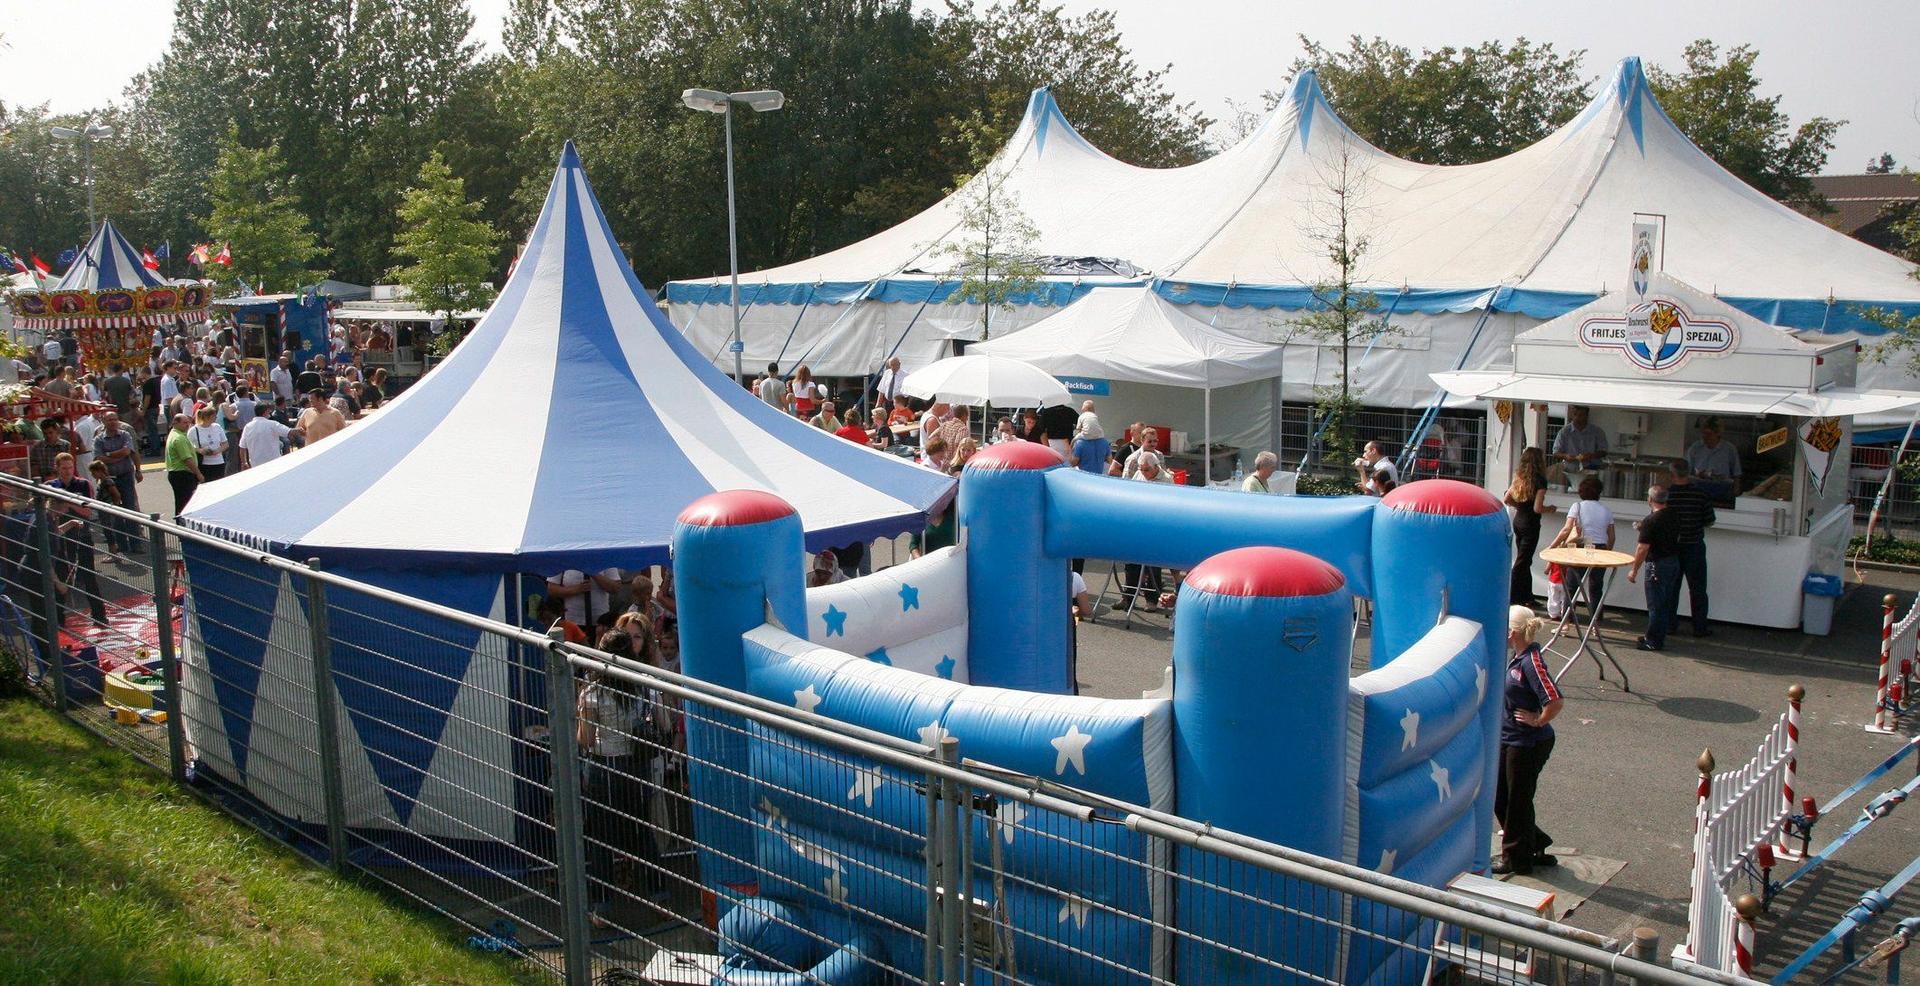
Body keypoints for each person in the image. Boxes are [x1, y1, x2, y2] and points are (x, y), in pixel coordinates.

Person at [574, 630, 666, 919]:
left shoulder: (591, 692)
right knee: (641, 831)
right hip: (636, 767)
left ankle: (602, 907)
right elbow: (663, 724)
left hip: (604, 767)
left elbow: (586, 740)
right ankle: (659, 896)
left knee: (601, 837)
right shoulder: (643, 686)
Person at [1493, 605, 1563, 875]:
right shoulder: (1517, 657)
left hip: (1528, 742)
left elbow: (1555, 699)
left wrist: (1538, 719)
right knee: (1503, 797)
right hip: (1512, 738)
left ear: (1512, 632)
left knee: (1516, 800)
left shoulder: (1531, 663)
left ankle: (1516, 858)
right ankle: (1534, 842)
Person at [47, 452, 109, 625]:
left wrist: (68, 503)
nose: (67, 471)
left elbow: (88, 512)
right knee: (60, 576)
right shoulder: (51, 486)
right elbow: (48, 512)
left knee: (88, 576)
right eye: (64, 468)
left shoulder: (83, 484)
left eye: (70, 467)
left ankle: (99, 615)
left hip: (82, 536)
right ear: (57, 468)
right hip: (59, 538)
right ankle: (59, 619)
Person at [1548, 475, 1615, 613]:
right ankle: (1595, 622)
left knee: (1572, 585)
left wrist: (1552, 546)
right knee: (1596, 586)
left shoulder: (1577, 506)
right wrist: (1607, 551)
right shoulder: (1606, 510)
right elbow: (1612, 536)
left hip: (1581, 547)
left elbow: (1567, 529)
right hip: (1600, 548)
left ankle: (1567, 621)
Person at [1666, 459, 1717, 638]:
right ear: (1688, 473)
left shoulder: (1667, 495)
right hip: (1694, 545)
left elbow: (1660, 519)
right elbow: (1709, 520)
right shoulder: (1700, 494)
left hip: (1672, 546)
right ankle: (1700, 627)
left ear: (1672, 475)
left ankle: (1670, 625)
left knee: (1672, 587)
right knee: (1698, 588)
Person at [1628, 486, 1683, 652]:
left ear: (1650, 499)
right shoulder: (1674, 515)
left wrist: (1634, 569)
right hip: (1672, 561)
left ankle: (1653, 640)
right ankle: (1656, 635)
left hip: (1657, 564)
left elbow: (1642, 548)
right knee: (1665, 602)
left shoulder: (1651, 521)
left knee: (1655, 605)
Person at [1503, 448, 1555, 606]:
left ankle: (1526, 596)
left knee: (1524, 560)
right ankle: (1512, 596)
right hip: (1531, 524)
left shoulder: (1519, 477)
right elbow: (1537, 508)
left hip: (1519, 521)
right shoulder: (1540, 481)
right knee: (1522, 561)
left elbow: (1507, 499)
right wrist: (1550, 509)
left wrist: (1519, 506)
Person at [92, 412, 142, 554]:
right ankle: (122, 545)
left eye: (115, 419)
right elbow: (99, 458)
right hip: (109, 480)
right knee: (115, 513)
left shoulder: (125, 435)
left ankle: (135, 544)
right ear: (104, 421)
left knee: (130, 509)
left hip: (126, 477)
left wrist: (138, 470)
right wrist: (117, 456)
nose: (113, 422)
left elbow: (128, 452)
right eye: (110, 420)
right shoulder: (99, 439)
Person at [1685, 416, 1741, 502]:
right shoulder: (1695, 448)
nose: (1705, 437)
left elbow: (1737, 473)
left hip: (1722, 491)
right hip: (1699, 490)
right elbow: (1687, 472)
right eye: (1704, 434)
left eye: (1709, 434)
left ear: (1718, 434)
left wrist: (1736, 494)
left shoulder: (1729, 449)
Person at [1551, 405, 1609, 487]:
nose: (1577, 418)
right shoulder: (1564, 432)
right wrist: (1566, 456)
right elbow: (1555, 452)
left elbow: (1604, 451)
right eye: (1575, 414)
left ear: (1586, 416)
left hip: (1591, 469)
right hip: (1569, 471)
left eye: (1581, 415)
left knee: (1590, 492)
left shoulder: (1597, 431)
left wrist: (1591, 455)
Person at [164, 413, 202, 515]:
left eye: (188, 423)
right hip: (183, 474)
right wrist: (198, 474)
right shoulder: (179, 438)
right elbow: (187, 459)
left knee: (181, 501)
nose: (187, 425)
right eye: (184, 423)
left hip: (177, 473)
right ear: (175, 423)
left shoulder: (174, 434)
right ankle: (183, 525)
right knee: (185, 503)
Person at [188, 406, 230, 481]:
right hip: (204, 463)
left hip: (219, 462)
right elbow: (188, 447)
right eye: (214, 416)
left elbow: (226, 444)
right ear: (209, 417)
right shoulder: (194, 430)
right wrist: (200, 450)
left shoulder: (217, 427)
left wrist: (217, 451)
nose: (216, 417)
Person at [1071, 400, 1109, 476]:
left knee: (1073, 441)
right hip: (1099, 435)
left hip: (1085, 475)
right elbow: (1109, 460)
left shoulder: (1080, 444)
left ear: (1084, 409)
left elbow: (1074, 463)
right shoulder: (1094, 416)